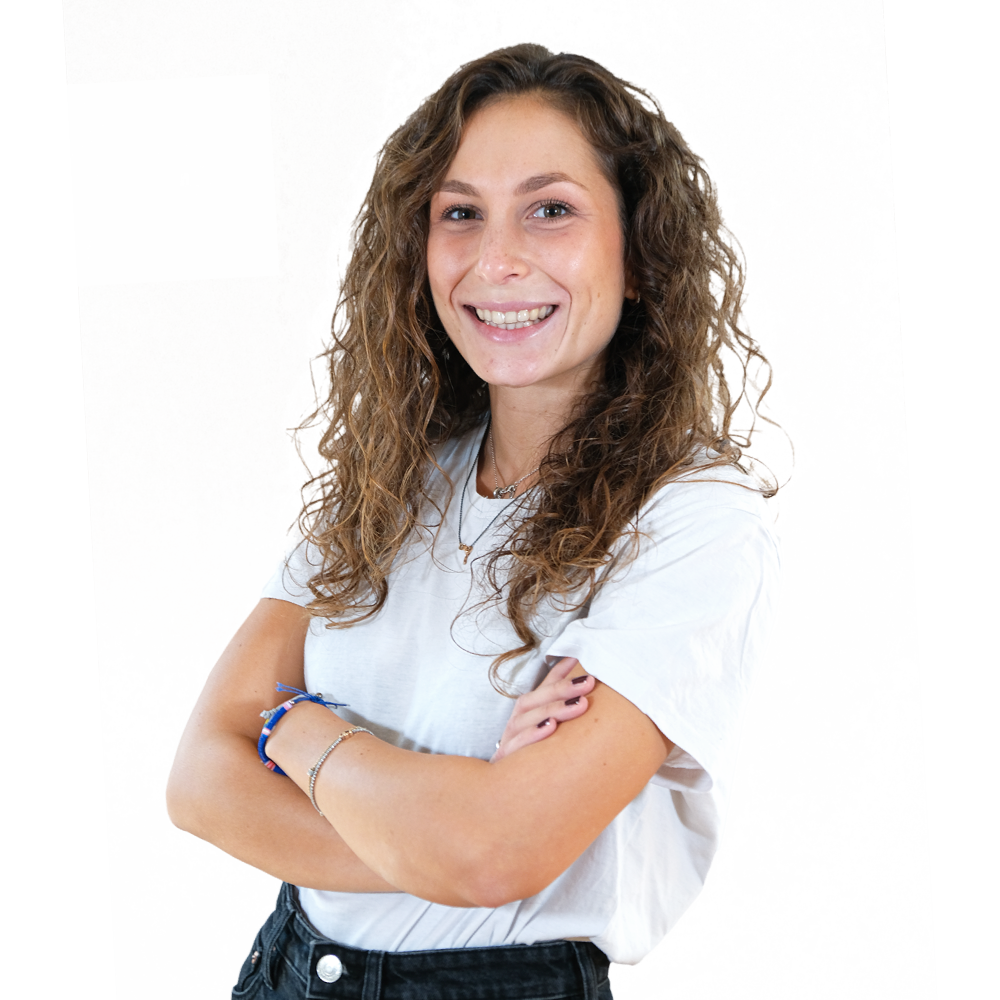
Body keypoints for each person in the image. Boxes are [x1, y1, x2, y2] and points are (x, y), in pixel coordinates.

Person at [165, 41, 783, 1000]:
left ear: (639, 255)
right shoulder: (384, 484)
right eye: (460, 213)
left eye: (551, 209)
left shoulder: (694, 518)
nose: (496, 260)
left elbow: (496, 856)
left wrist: (296, 733)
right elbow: (201, 782)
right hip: (287, 968)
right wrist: (446, 831)